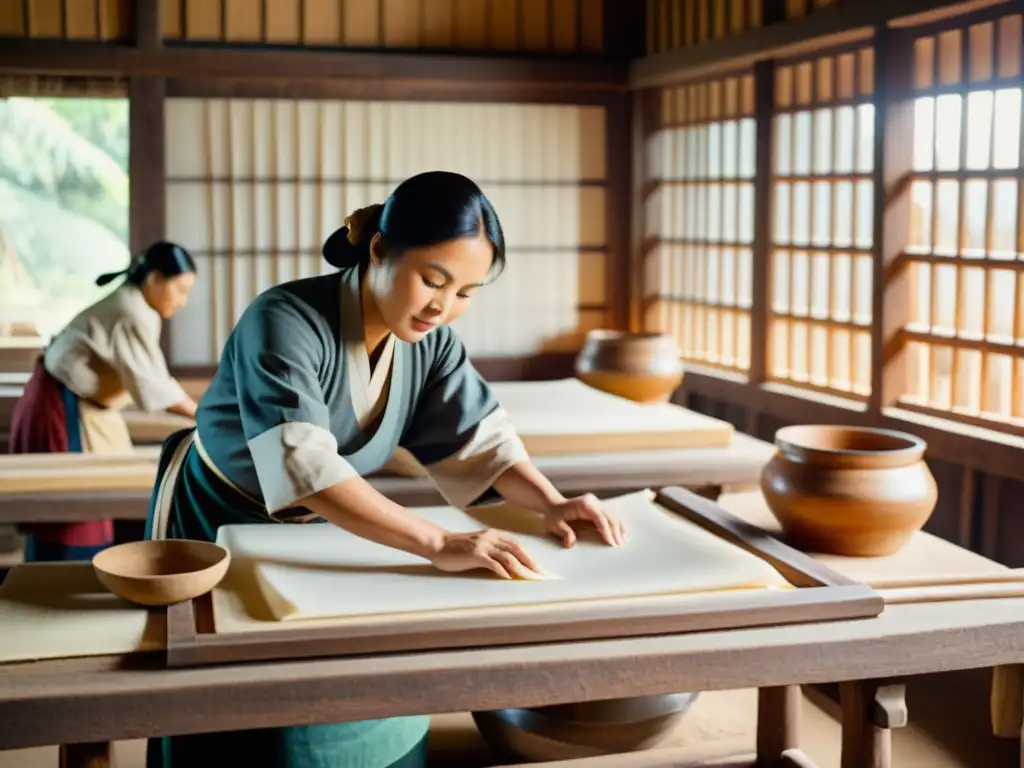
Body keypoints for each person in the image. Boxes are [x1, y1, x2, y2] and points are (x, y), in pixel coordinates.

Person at [143, 170, 627, 768]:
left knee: (363, 681)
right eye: (433, 279)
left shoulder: (432, 343)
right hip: (222, 522)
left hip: (338, 524)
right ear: (378, 250)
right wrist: (439, 540)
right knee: (246, 711)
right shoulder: (284, 319)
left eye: (466, 292)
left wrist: (553, 503)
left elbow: (483, 443)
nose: (442, 308)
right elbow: (309, 468)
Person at [9, 240, 199, 562]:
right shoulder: (131, 310)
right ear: (154, 279)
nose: (183, 301)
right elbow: (155, 389)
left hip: (88, 407)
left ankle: (103, 570)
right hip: (63, 407)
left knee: (112, 490)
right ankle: (59, 582)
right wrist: (206, 417)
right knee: (74, 502)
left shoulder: (138, 306)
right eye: (180, 289)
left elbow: (155, 379)